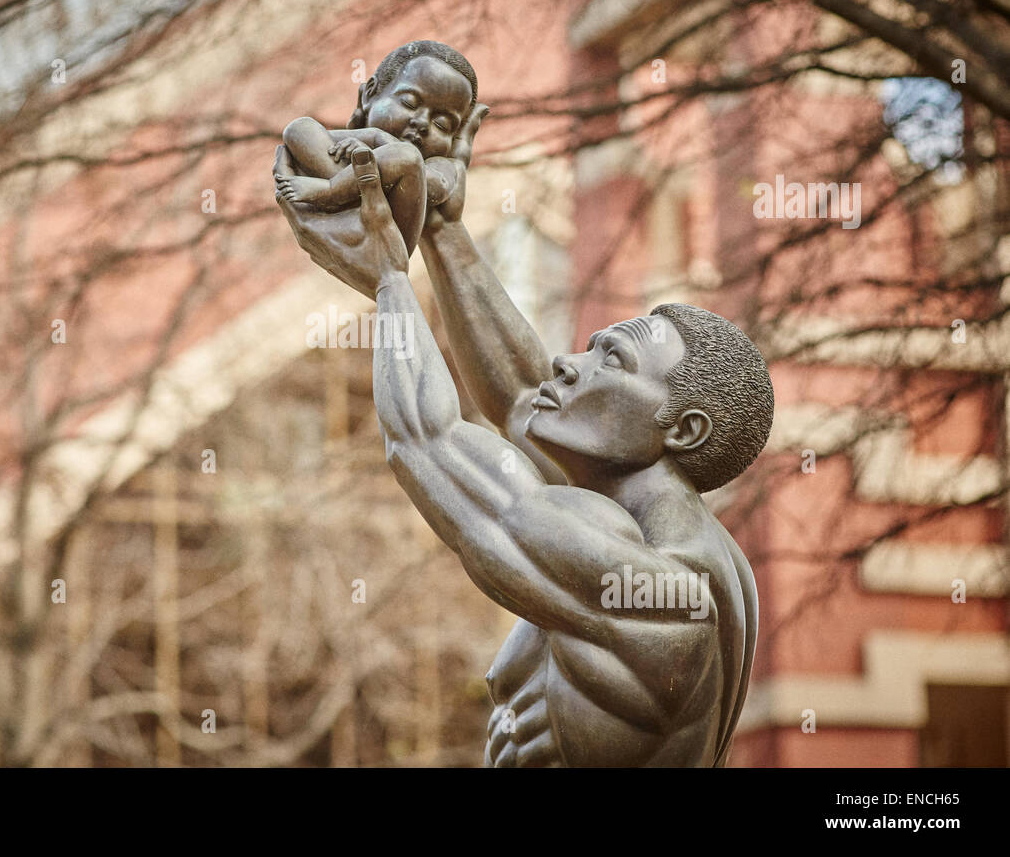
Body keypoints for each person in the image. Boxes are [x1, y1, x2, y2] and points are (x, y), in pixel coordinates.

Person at [274, 71, 772, 767]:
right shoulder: (650, 528)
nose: (571, 363)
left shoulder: (665, 588)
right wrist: (442, 227)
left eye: (613, 361)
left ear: (682, 430)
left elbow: (426, 441)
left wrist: (388, 281)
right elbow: (523, 400)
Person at [275, 40, 485, 255]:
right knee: (299, 127)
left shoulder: (442, 164)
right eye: (410, 103)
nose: (422, 123)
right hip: (346, 221)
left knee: (408, 157)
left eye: (442, 124)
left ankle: (331, 191)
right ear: (370, 94)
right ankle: (346, 205)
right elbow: (308, 138)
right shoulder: (369, 139)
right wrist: (371, 140)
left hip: (388, 240)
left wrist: (379, 144)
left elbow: (433, 186)